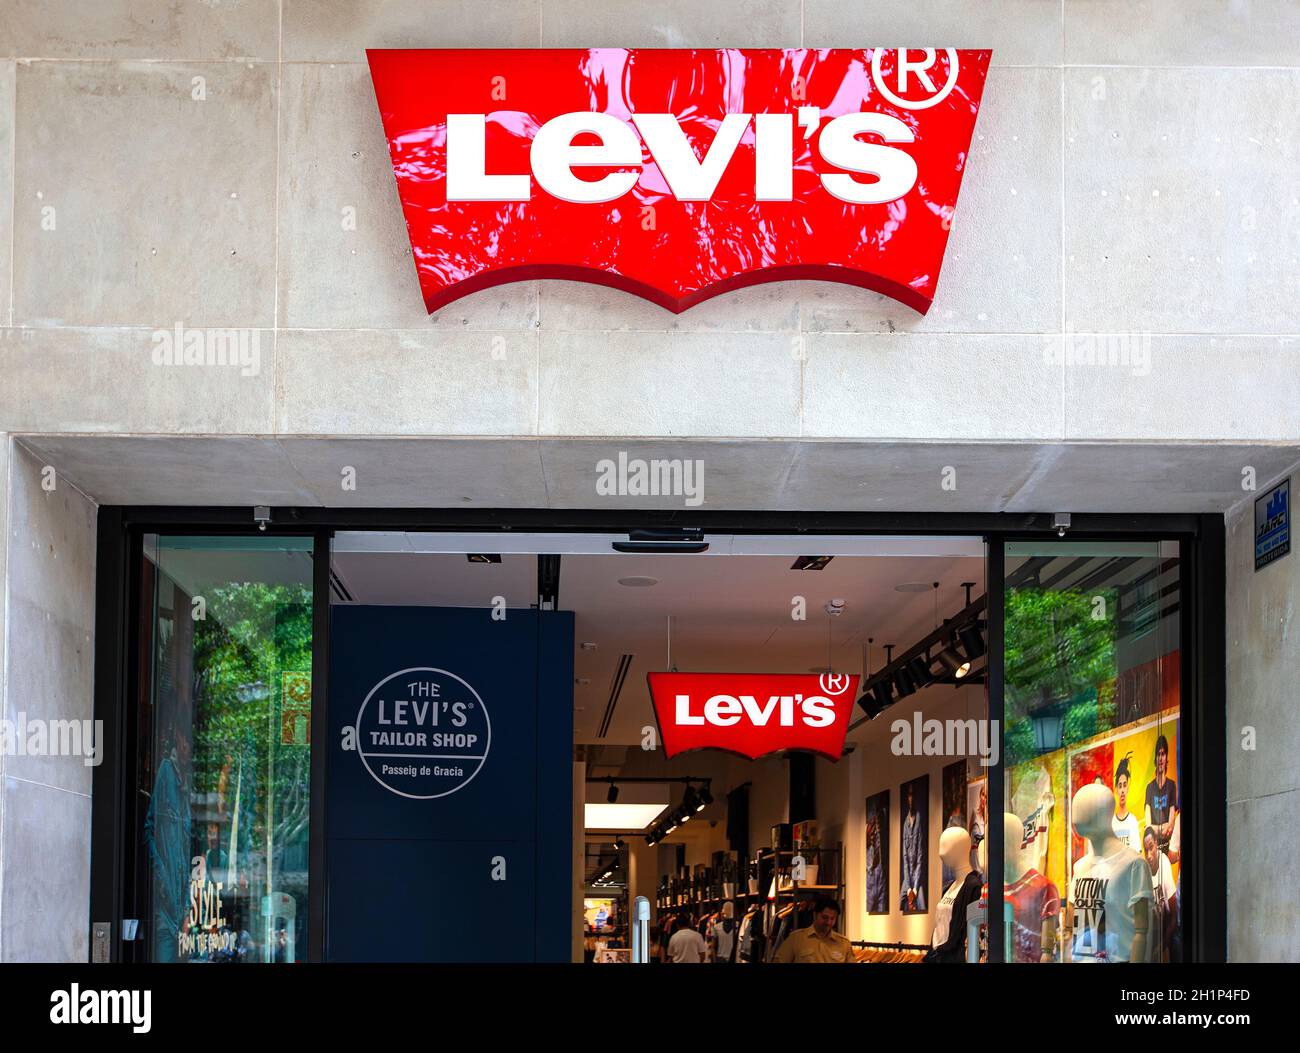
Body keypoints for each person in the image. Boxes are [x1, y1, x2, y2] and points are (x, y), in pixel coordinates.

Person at [773, 896, 854, 963]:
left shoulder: (844, 944)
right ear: (815, 915)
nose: (828, 922)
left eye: (832, 918)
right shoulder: (796, 939)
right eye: (824, 917)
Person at [1143, 826, 1179, 963]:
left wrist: (1162, 946)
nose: (1149, 855)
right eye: (1145, 850)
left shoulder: (1163, 863)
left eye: (1151, 847)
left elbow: (1174, 917)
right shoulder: (1143, 869)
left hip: (1165, 932)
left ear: (1156, 843)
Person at [1143, 735, 1178, 851]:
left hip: (1168, 849)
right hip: (1152, 850)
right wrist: (1161, 827)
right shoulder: (1149, 788)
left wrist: (1156, 829)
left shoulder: (1172, 786)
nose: (1161, 758)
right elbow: (1148, 828)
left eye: (1163, 754)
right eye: (1158, 754)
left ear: (1166, 757)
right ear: (1155, 758)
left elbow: (1170, 829)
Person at [1111, 754, 1141, 850]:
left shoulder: (1132, 821)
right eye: (1120, 786)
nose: (1122, 790)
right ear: (1116, 790)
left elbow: (1137, 854)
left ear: (1128, 787)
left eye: (1124, 785)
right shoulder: (1111, 823)